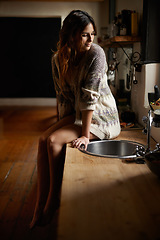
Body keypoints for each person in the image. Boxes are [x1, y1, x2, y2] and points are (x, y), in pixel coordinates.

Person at [30, 10, 121, 228]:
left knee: (54, 141)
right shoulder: (57, 59)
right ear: (71, 36)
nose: (91, 39)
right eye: (85, 35)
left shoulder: (96, 54)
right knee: (43, 139)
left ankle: (53, 200)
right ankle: (39, 204)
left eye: (92, 34)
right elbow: (62, 96)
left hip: (100, 117)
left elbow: (90, 98)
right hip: (77, 115)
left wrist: (84, 135)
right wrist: (61, 122)